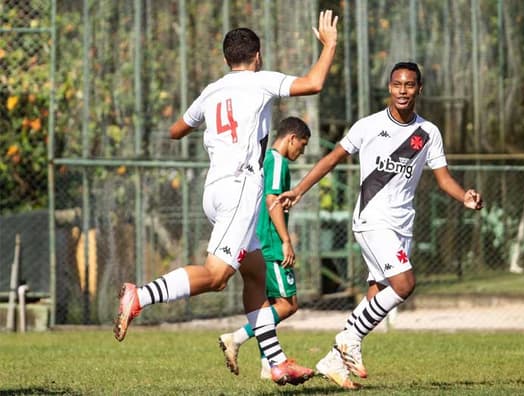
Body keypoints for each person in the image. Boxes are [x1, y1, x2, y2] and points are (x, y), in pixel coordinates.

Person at [113, 10, 338, 387]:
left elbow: (175, 130)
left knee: (256, 273)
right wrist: (329, 45)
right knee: (217, 276)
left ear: (225, 59)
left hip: (214, 188)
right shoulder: (261, 81)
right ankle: (141, 296)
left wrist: (200, 123)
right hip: (240, 189)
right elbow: (314, 83)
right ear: (258, 55)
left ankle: (276, 362)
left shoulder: (212, 90)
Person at [276, 61, 483, 389]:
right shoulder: (368, 126)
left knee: (379, 295)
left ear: (419, 89)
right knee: (404, 285)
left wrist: (465, 197)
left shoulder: (428, 133)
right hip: (372, 220)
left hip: (402, 225)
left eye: (410, 85)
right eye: (398, 84)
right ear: (389, 88)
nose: (403, 90)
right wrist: (300, 190)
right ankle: (349, 340)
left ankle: (334, 357)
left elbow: (443, 179)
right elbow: (332, 159)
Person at [218, 116, 310, 380]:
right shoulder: (278, 162)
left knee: (267, 303)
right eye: (301, 146)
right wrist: (286, 240)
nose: (301, 152)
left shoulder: (264, 159)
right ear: (291, 138)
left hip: (255, 240)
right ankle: (235, 338)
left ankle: (266, 364)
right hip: (270, 242)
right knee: (288, 304)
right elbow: (272, 200)